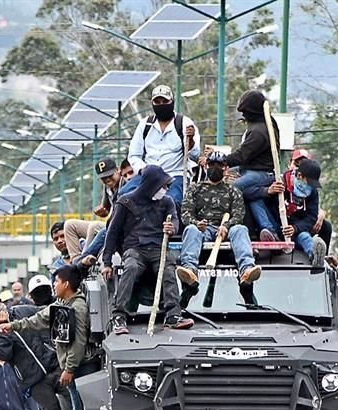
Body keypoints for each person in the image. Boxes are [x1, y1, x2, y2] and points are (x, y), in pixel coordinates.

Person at [0, 265, 93, 410]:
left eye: (56, 282)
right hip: (34, 380)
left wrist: (69, 368)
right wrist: (8, 330)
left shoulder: (76, 307)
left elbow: (77, 341)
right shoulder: (59, 306)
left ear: (66, 284)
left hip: (57, 370)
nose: (54, 286)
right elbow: (6, 348)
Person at [102, 165, 193, 335]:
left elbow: (174, 220)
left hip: (158, 248)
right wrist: (107, 262)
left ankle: (173, 314)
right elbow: (112, 232)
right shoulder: (125, 202)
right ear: (151, 185)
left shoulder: (167, 202)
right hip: (134, 249)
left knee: (167, 267)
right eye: (163, 186)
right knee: (131, 268)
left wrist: (171, 227)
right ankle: (119, 316)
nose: (165, 189)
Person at [175, 151, 261, 286]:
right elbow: (186, 213)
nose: (215, 168)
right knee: (191, 229)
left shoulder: (233, 191)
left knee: (240, 229)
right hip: (203, 229)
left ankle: (247, 269)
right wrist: (197, 223)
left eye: (219, 165)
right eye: (211, 164)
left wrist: (227, 226)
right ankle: (190, 270)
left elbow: (239, 214)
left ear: (225, 168)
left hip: (226, 230)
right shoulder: (194, 189)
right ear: (206, 166)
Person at [122, 85, 200, 206]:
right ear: (152, 103)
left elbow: (195, 155)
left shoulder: (184, 123)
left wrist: (191, 142)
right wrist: (144, 170)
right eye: (157, 102)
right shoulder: (145, 125)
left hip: (174, 175)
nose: (161, 104)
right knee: (124, 195)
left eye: (165, 101)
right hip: (148, 176)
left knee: (172, 202)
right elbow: (134, 155)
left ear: (172, 102)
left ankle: (172, 225)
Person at [221, 90, 281, 239]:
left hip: (261, 173)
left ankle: (225, 225)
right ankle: (269, 229)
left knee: (230, 189)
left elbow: (242, 155)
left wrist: (221, 161)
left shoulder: (258, 132)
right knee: (253, 196)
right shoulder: (266, 123)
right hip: (249, 169)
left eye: (245, 112)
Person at [65, 158, 121, 261]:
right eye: (103, 178)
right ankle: (76, 259)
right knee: (70, 225)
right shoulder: (107, 187)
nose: (107, 180)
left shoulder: (125, 185)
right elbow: (106, 209)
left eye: (110, 175)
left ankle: (82, 263)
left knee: (94, 226)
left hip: (118, 227)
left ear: (118, 170)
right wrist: (102, 212)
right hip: (109, 224)